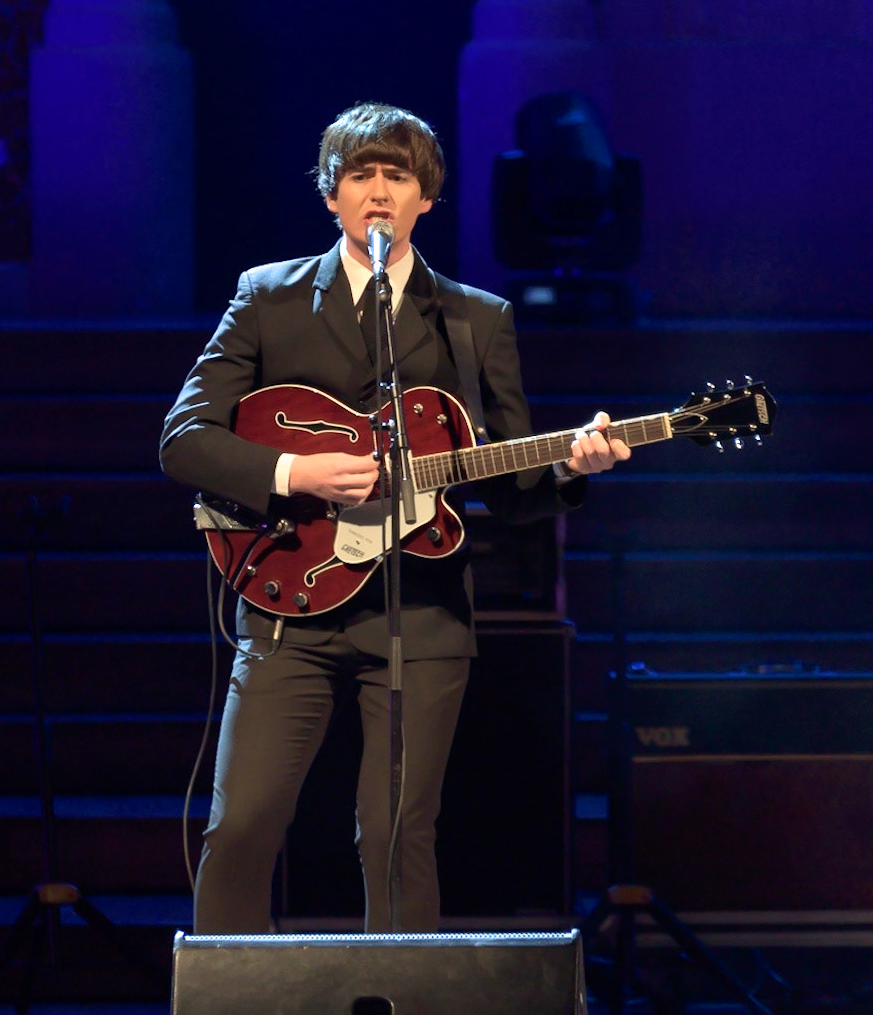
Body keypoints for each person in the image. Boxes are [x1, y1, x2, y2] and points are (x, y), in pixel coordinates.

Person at [160, 102, 630, 936]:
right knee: (241, 827)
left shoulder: (475, 318)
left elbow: (513, 485)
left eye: (397, 177)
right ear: (331, 196)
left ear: (427, 199)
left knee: (395, 835)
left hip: (421, 613)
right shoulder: (266, 298)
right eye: (360, 176)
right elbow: (184, 439)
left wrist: (564, 466)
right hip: (286, 603)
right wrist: (294, 470)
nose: (378, 192)